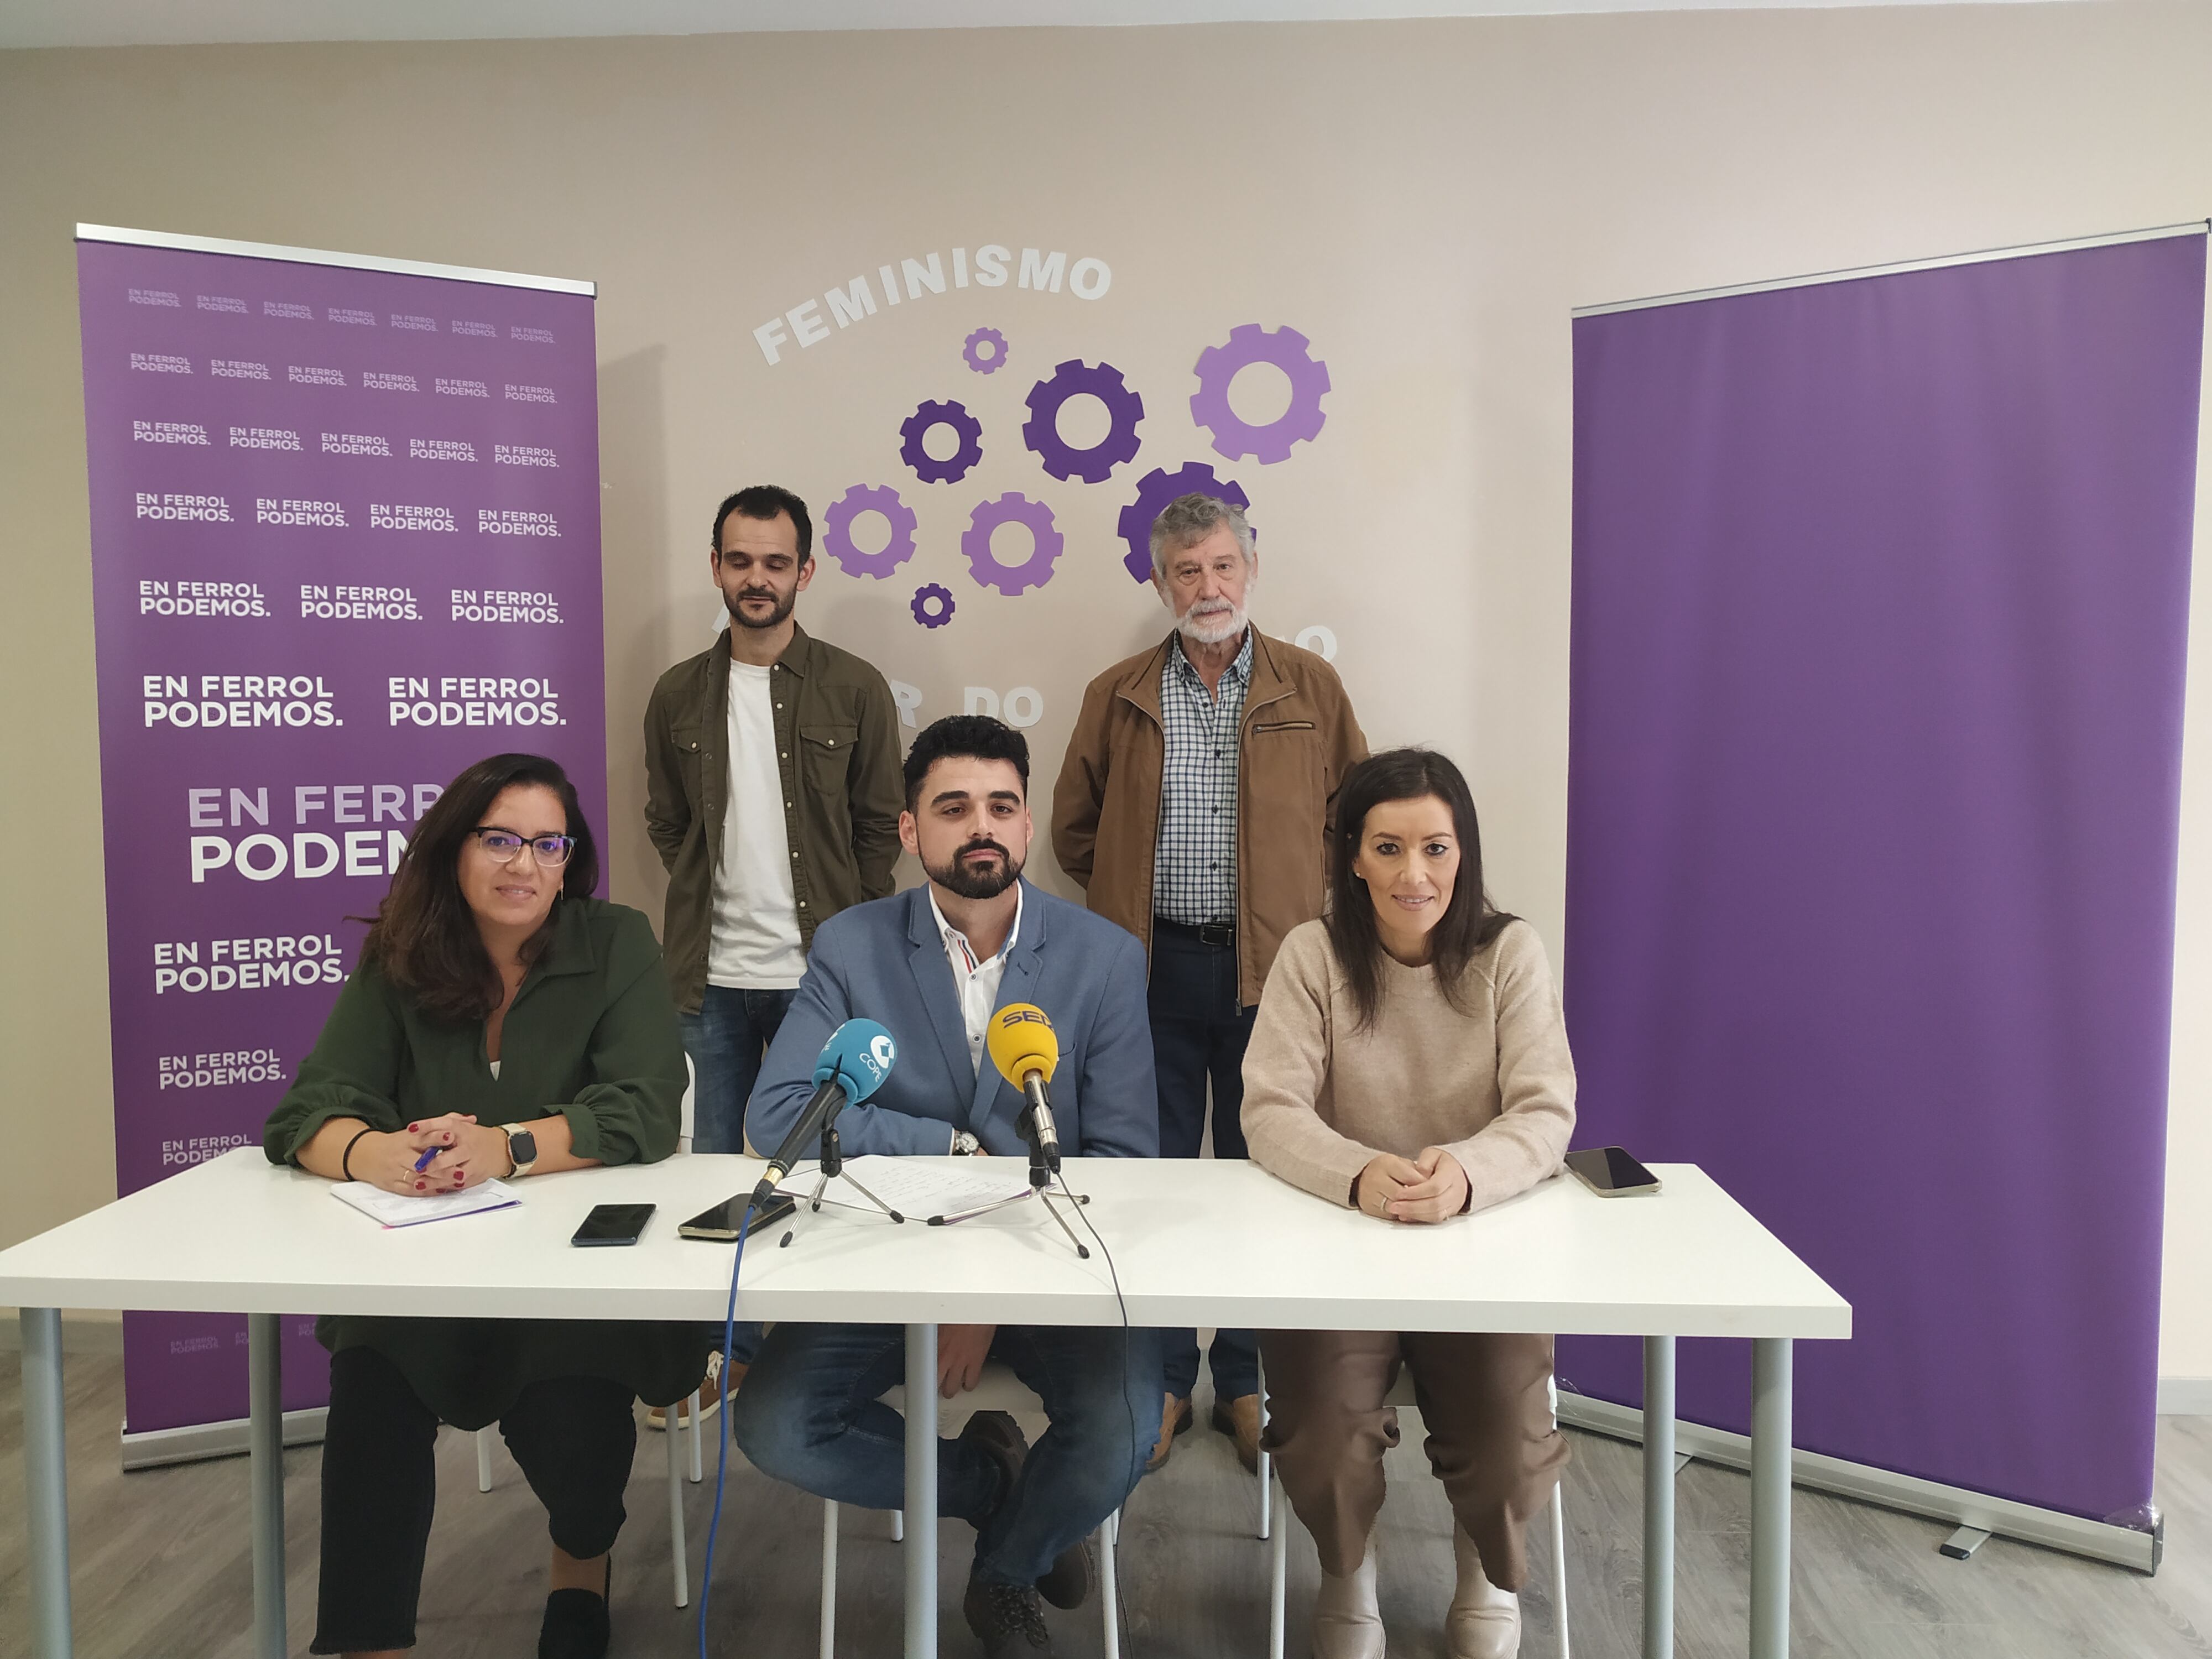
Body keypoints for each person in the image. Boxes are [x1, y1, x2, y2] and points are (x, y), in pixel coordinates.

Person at [731, 715, 1159, 1658]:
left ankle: (1004, 1572)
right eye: (954, 807)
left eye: (1002, 807)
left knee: (1127, 1425)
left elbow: (1123, 1160)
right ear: (910, 829)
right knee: (776, 1425)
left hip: (1052, 1265)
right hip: (889, 1256)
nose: (982, 827)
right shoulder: (852, 946)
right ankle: (992, 1483)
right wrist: (951, 1149)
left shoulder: (1103, 957)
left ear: (1029, 824)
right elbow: (782, 1114)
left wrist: (986, 1300)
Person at [262, 753, 701, 1659]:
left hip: (573, 1274)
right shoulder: (401, 957)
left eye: (548, 845)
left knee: (573, 1422)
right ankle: (370, 1645)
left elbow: (648, 1107)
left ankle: (580, 1567)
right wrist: (374, 1152)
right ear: (454, 850)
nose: (524, 865)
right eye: (500, 840)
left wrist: (507, 1148)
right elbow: (309, 1109)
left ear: (569, 861)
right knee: (372, 1384)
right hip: (427, 1269)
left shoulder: (615, 942)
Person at [1051, 491, 1366, 1475]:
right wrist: (1125, 901)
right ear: (1160, 583)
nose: (1209, 586)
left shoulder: (1311, 686)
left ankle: (1243, 1380)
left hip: (1273, 974)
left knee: (1259, 1180)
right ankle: (1156, 1383)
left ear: (1251, 570)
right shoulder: (1117, 694)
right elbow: (1073, 831)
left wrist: (1302, 906)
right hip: (1148, 973)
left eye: (1224, 565)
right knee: (1146, 1186)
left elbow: (1356, 820)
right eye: (1187, 570)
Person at [1239, 748, 1575, 1659]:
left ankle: (1486, 1568)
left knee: (1506, 1433)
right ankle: (1349, 1572)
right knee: (1318, 1428)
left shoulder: (1509, 953)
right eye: (1388, 848)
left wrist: (1464, 1174)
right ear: (1352, 855)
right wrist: (1357, 1173)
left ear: (1464, 852)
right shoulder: (1313, 953)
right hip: (1341, 1244)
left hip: (1481, 1248)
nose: (1413, 874)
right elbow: (1269, 1108)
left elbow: (1545, 1111)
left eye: (1435, 848)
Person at [642, 483, 902, 1423]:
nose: (758, 579)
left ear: (806, 571)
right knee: (719, 1168)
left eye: (776, 563)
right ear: (717, 567)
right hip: (709, 978)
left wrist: (854, 940)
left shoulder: (855, 687)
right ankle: (726, 1352)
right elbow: (668, 822)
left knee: (827, 1165)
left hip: (819, 981)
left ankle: (835, 1357)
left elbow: (879, 830)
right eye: (741, 561)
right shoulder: (677, 693)